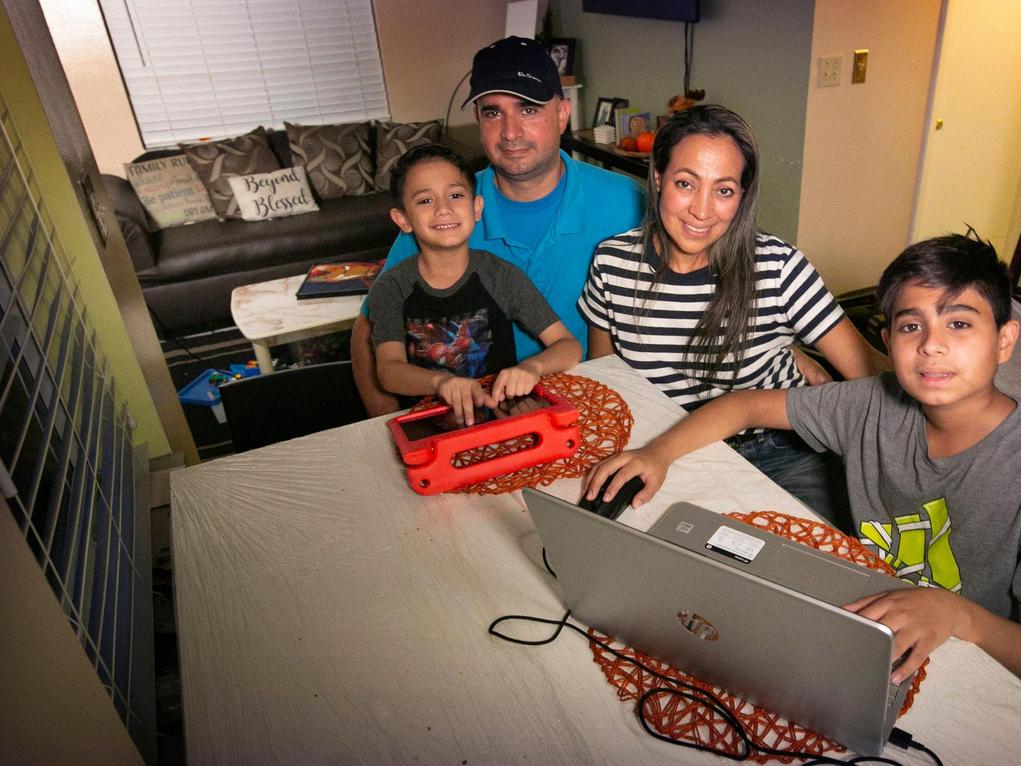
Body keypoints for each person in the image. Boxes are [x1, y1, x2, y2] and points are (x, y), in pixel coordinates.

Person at [584, 233, 1021, 694]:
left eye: (958, 323)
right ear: (887, 341)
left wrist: (956, 615)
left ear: (1004, 341)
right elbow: (746, 403)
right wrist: (658, 454)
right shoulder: (871, 402)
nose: (931, 346)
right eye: (911, 327)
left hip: (968, 656)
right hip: (864, 628)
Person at [578, 104, 889, 526]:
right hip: (661, 448)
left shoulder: (778, 267)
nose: (701, 211)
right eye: (686, 183)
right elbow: (607, 375)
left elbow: (867, 370)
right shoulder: (611, 260)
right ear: (657, 179)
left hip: (780, 453)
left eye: (723, 190)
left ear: (742, 196)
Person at [351, 35, 644, 416]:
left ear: (561, 114)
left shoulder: (628, 203)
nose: (509, 132)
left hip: (586, 408)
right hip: (467, 419)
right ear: (478, 120)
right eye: (492, 112)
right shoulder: (444, 215)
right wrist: (389, 432)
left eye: (528, 109)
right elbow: (367, 330)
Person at [365, 143, 581, 425]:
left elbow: (568, 346)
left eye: (455, 195)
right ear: (403, 219)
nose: (443, 209)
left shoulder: (500, 276)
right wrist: (440, 383)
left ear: (477, 208)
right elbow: (389, 371)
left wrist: (532, 367)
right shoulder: (391, 288)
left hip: (501, 424)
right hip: (429, 431)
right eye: (425, 200)